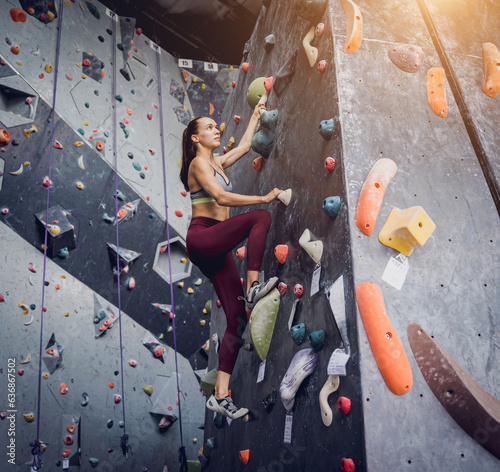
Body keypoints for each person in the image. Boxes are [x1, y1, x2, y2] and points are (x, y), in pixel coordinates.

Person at [180, 104, 282, 419]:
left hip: (217, 247)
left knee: (237, 318)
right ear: (195, 138)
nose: (216, 130)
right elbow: (222, 199)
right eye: (209, 127)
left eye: (216, 126)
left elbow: (245, 146)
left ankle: (220, 395)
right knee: (260, 216)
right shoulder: (198, 163)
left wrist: (255, 115)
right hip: (203, 237)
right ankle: (253, 285)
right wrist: (262, 198)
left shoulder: (218, 163)